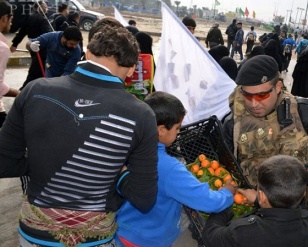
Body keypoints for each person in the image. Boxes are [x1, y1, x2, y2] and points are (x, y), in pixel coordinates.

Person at [0, 25, 159, 246]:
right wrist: (119, 174)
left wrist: (41, 161)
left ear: (87, 55)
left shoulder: (35, 91)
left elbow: (4, 163)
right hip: (93, 238)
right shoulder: (141, 115)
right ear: (132, 69)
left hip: (35, 234)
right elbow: (144, 198)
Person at [116, 91, 235, 247]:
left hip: (126, 229)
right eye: (178, 128)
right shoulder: (169, 168)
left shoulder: (130, 148)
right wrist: (227, 193)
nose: (179, 132)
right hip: (149, 240)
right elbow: (207, 201)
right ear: (161, 130)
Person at [223, 55, 308, 187]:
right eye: (247, 96)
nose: (254, 104)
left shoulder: (304, 110)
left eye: (262, 95)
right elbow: (225, 165)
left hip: (295, 201)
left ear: (278, 87)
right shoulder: (233, 123)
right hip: (251, 201)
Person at [202, 155, 308, 247]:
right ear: (303, 194)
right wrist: (260, 201)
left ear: (261, 196)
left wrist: (224, 207)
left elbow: (210, 236)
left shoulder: (243, 232)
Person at [10, 0, 51, 89]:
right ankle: (26, 88)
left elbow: (21, 33)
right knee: (37, 69)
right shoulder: (42, 20)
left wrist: (15, 44)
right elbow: (48, 34)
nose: (46, 7)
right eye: (44, 6)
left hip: (32, 47)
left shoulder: (30, 17)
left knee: (36, 66)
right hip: (41, 47)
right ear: (38, 7)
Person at [0, 0, 19, 127]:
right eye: (11, 18)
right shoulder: (2, 48)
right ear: (5, 18)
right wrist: (20, 94)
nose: (11, 22)